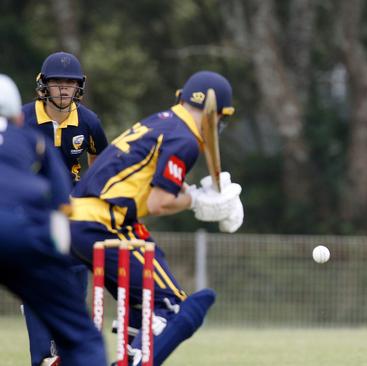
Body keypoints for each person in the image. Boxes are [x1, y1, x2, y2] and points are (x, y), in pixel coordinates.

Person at [69, 70, 243, 365]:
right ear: (216, 115)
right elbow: (159, 201)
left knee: (142, 307)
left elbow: (145, 181)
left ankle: (129, 354)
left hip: (82, 220)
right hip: (104, 224)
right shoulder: (186, 139)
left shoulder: (163, 122)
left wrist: (192, 191)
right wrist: (198, 203)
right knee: (174, 309)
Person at [0, 74, 107, 365]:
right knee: (80, 334)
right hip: (26, 226)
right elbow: (62, 200)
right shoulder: (32, 140)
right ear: (16, 115)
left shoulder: (87, 121)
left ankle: (45, 353)